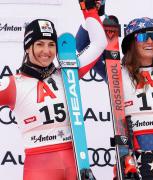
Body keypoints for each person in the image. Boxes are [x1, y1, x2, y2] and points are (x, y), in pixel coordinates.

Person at [76, 1, 153, 179]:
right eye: (143, 37)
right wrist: (97, 12)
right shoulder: (115, 71)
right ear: (131, 44)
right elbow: (82, 47)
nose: (150, 41)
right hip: (134, 158)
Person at [0, 1, 107, 180]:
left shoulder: (67, 73)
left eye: (51, 44)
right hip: (39, 169)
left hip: (76, 164)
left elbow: (99, 43)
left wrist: (89, 10)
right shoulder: (12, 84)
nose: (46, 51)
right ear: (28, 47)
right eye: (40, 44)